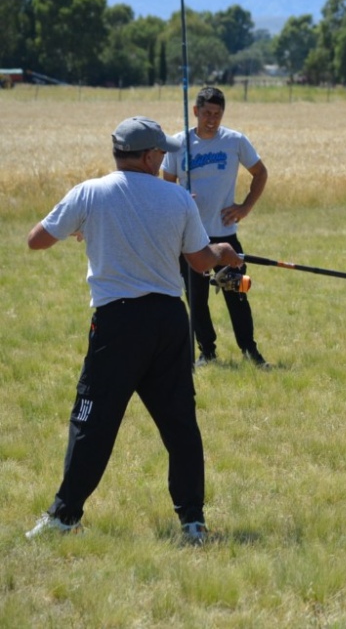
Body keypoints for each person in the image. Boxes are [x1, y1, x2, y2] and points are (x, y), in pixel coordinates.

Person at [25, 116, 244, 542]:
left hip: (116, 325)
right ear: (146, 156)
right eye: (160, 152)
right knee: (180, 425)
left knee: (92, 423)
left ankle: (63, 518)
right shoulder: (178, 199)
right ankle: (193, 523)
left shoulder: (90, 192)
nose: (164, 158)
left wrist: (84, 227)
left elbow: (36, 240)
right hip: (168, 323)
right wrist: (224, 252)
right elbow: (201, 262)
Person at [162, 86, 270, 367]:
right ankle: (207, 352)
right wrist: (180, 200)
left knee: (238, 294)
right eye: (207, 113)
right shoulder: (177, 143)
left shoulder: (235, 141)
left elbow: (260, 172)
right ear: (195, 111)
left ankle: (250, 350)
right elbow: (165, 185)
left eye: (217, 114)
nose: (211, 119)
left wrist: (244, 207)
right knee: (197, 300)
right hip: (191, 236)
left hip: (226, 235)